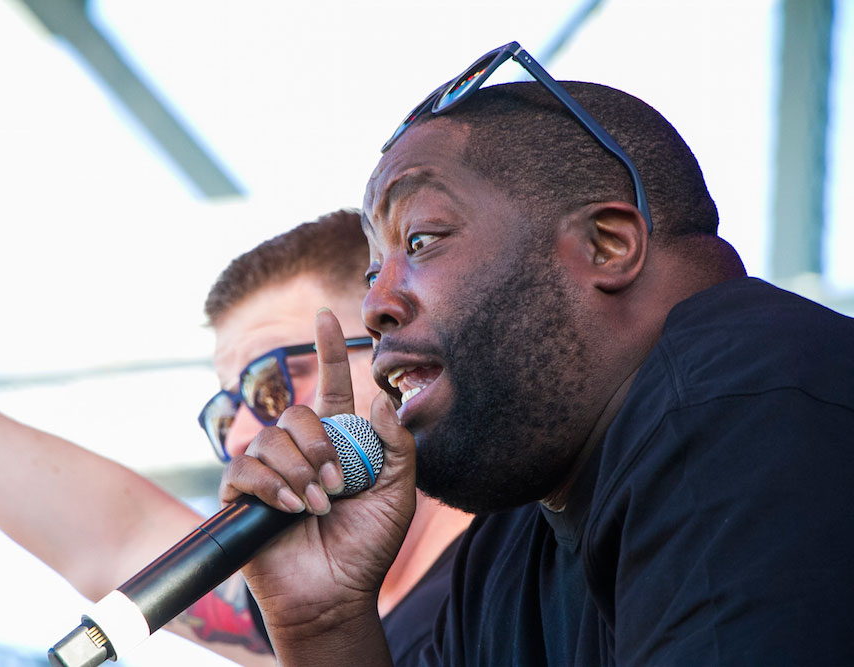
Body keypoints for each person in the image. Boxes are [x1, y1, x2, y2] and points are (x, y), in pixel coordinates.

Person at [215, 44, 854, 666]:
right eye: (371, 273)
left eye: (422, 239)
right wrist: (324, 625)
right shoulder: (507, 550)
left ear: (607, 245)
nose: (376, 304)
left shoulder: (742, 408)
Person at [0, 209, 472, 666]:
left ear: (391, 351)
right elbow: (116, 536)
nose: (242, 440)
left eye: (274, 385)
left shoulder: (534, 543)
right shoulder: (297, 606)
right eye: (226, 416)